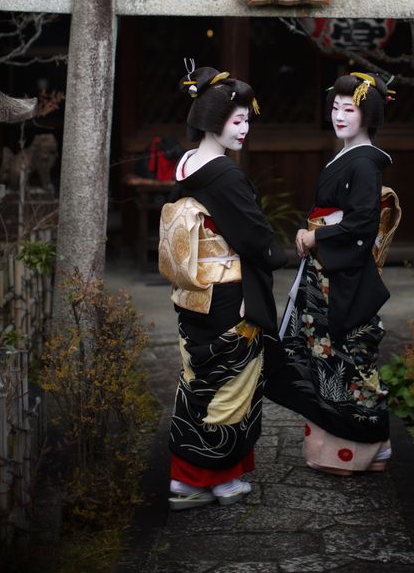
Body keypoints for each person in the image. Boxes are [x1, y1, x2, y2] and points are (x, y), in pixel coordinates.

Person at [162, 64, 287, 509]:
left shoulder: (187, 164)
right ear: (214, 122)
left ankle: (186, 478)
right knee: (231, 383)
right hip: (229, 294)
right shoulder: (225, 174)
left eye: (248, 120)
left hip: (194, 291)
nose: (245, 128)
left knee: (197, 378)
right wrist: (279, 256)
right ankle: (216, 478)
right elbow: (254, 237)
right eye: (238, 120)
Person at [266, 71, 398, 474]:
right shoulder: (349, 157)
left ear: (368, 115)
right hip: (328, 268)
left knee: (343, 357)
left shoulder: (365, 163)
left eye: (350, 109)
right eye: (336, 108)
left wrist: (317, 237)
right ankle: (367, 446)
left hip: (341, 274)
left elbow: (361, 223)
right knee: (326, 357)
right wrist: (314, 237)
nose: (340, 115)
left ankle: (362, 447)